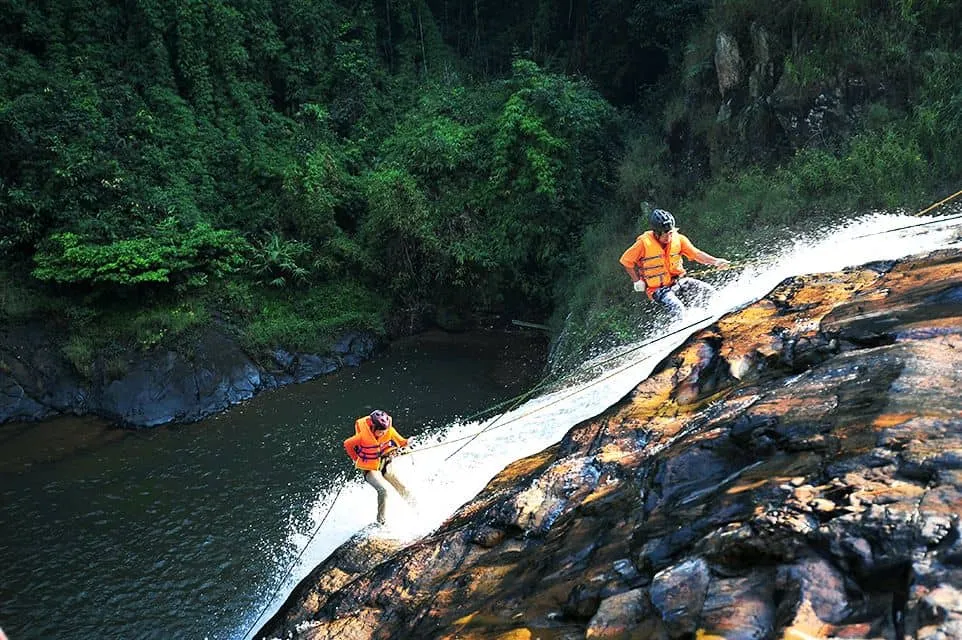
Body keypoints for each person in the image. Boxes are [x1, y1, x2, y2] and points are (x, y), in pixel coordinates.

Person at [619, 208, 730, 321]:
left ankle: (722, 316)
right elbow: (626, 261)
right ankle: (681, 328)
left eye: (670, 233)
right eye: (665, 234)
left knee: (709, 292)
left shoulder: (679, 239)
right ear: (656, 234)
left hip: (679, 281)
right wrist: (636, 281)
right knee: (678, 309)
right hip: (658, 289)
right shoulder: (643, 244)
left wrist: (716, 261)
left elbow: (697, 254)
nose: (669, 237)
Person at [343, 409, 415, 525]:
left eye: (384, 431)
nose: (383, 433)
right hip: (370, 469)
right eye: (380, 432)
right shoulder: (362, 436)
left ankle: (415, 506)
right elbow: (347, 444)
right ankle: (381, 522)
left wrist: (408, 442)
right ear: (373, 427)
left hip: (385, 463)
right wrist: (355, 458)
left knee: (400, 486)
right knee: (383, 491)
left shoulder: (388, 430)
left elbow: (402, 442)